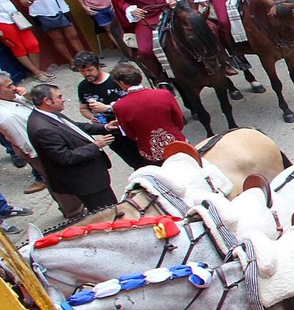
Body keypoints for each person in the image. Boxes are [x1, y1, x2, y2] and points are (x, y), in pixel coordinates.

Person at [26, 82, 115, 216]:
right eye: (59, 96)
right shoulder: (42, 128)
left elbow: (75, 128)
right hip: (85, 182)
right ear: (47, 101)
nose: (63, 99)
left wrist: (105, 127)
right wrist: (95, 146)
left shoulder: (50, 114)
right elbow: (64, 157)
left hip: (91, 178)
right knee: (108, 213)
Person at [105, 63, 185, 163]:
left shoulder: (119, 106)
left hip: (150, 150)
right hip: (177, 143)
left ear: (121, 82)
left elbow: (130, 133)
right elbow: (179, 119)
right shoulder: (163, 94)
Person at [73, 53, 143, 168]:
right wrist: (91, 117)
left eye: (90, 70)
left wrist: (106, 108)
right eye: (82, 71)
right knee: (134, 162)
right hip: (111, 132)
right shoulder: (83, 87)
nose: (87, 74)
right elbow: (83, 108)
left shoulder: (116, 81)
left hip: (131, 127)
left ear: (98, 67)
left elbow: (134, 103)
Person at [0, 0, 45, 79]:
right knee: (18, 47)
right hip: (0, 21)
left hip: (15, 16)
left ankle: (37, 70)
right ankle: (36, 73)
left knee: (32, 43)